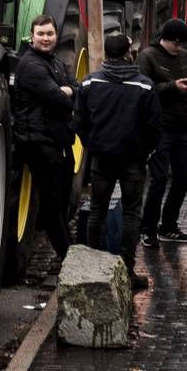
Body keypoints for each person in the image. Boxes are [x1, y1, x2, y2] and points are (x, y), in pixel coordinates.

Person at [76, 33, 160, 288]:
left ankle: (92, 268)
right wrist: (144, 151)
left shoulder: (90, 82)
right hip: (132, 159)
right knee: (132, 212)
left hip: (102, 157)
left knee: (97, 210)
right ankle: (127, 269)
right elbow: (154, 127)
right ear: (128, 54)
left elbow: (80, 121)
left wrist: (93, 144)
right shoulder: (144, 85)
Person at [13, 15, 78, 268]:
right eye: (41, 34)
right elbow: (58, 99)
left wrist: (70, 90)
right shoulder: (31, 66)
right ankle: (67, 256)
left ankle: (68, 250)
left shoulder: (57, 64)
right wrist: (66, 93)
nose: (46, 38)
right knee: (51, 204)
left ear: (56, 35)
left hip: (58, 140)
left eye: (49, 34)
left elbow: (79, 89)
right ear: (32, 36)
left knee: (62, 200)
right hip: (39, 141)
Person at [138, 18, 187, 245]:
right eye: (175, 44)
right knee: (158, 179)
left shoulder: (184, 56)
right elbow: (144, 91)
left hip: (183, 128)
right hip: (160, 129)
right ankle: (148, 229)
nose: (178, 48)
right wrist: (173, 87)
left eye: (181, 44)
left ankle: (168, 225)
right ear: (164, 40)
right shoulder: (148, 57)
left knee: (182, 178)